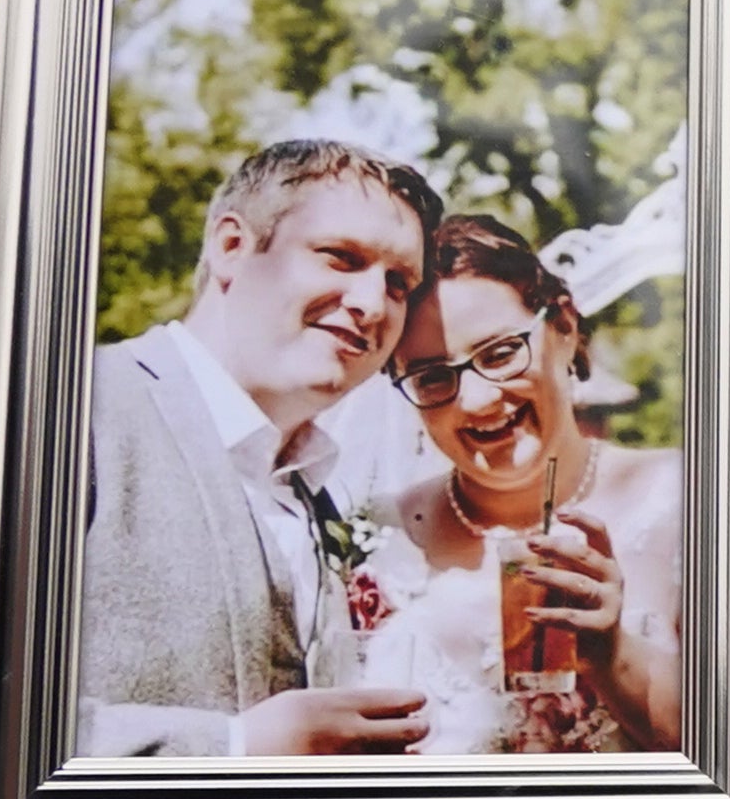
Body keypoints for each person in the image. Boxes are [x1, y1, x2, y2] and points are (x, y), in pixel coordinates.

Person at [75, 137, 444, 757]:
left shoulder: (318, 493)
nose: (372, 303)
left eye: (400, 283)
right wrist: (235, 746)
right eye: (341, 257)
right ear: (231, 247)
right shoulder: (72, 411)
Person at [374, 215, 685, 756]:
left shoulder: (685, 499)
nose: (475, 400)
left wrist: (612, 657)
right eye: (433, 377)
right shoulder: (379, 540)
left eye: (498, 353)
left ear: (563, 327)